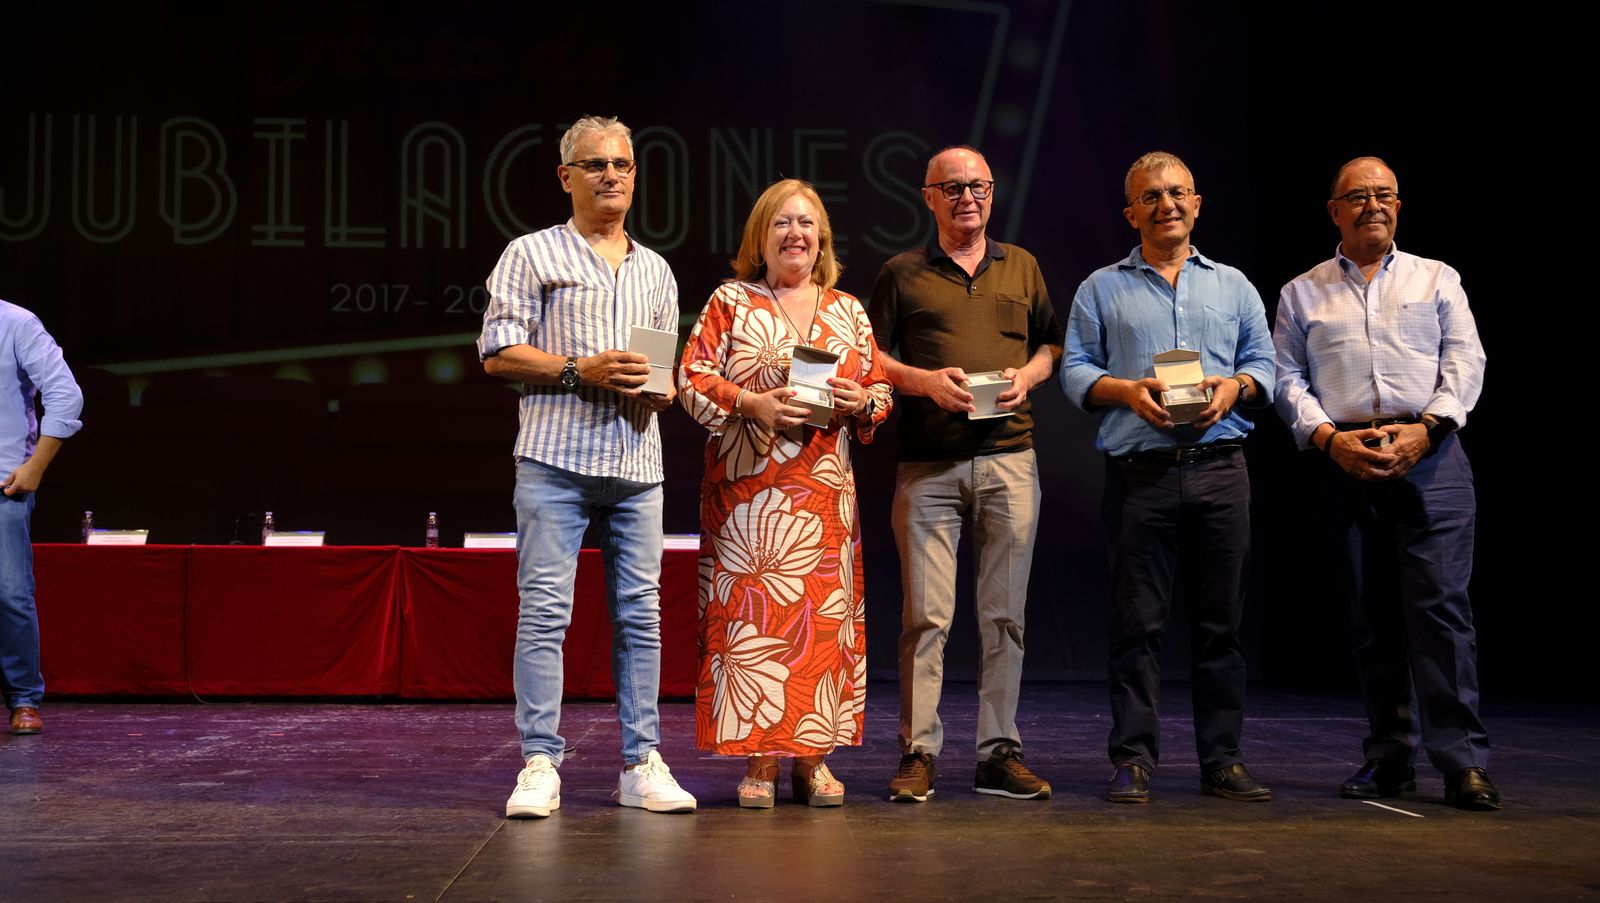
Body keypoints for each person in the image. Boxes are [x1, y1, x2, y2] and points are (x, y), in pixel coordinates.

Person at [478, 115, 696, 818]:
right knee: (546, 611)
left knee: (641, 616)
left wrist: (660, 388)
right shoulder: (531, 253)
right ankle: (540, 761)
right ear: (565, 176)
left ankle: (641, 762)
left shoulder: (656, 269)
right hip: (555, 460)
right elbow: (497, 353)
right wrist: (582, 370)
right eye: (596, 164)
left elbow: (660, 371)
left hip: (637, 462)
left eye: (622, 165)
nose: (611, 176)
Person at [1273, 156, 1497, 810]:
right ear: (1334, 211)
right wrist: (1328, 439)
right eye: (1359, 196)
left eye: (1385, 195)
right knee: (1371, 618)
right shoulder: (1301, 292)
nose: (1373, 205)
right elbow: (1286, 377)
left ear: (1398, 206)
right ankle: (1390, 757)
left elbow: (1466, 360)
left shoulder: (1437, 277)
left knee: (1442, 613)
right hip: (1345, 456)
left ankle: (1462, 762)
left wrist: (1428, 428)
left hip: (1431, 453)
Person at [1061, 151, 1276, 804]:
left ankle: (1223, 761)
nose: (1167, 205)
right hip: (1140, 476)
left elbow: (1264, 363)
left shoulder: (1234, 285)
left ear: (1197, 204)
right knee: (1137, 626)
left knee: (1221, 627)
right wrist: (1126, 390)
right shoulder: (1101, 287)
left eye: (1178, 192)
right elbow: (1075, 369)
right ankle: (1133, 760)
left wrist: (1235, 388)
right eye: (1151, 196)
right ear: (1132, 213)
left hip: (1220, 471)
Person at [679, 179, 892, 808]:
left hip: (823, 494)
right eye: (781, 223)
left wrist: (861, 399)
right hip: (747, 494)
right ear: (760, 237)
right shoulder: (731, 301)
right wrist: (751, 402)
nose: (795, 234)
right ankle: (762, 760)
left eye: (806, 223)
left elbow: (879, 389)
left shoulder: (847, 309)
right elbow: (690, 378)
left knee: (819, 622)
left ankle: (814, 759)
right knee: (754, 626)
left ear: (821, 237)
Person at [867, 145, 1061, 803]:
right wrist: (924, 381)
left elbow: (1051, 342)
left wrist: (1029, 375)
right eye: (951, 188)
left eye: (977, 185)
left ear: (992, 192)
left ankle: (998, 753)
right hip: (929, 464)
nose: (967, 197)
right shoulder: (902, 272)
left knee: (1004, 616)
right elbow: (869, 355)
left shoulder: (1022, 265)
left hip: (1010, 457)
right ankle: (919, 751)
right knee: (926, 617)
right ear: (928, 197)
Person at [1, 298, 83, 736]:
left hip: (3, 484)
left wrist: (36, 465)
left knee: (10, 594)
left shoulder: (16, 323)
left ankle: (23, 699)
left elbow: (65, 394)